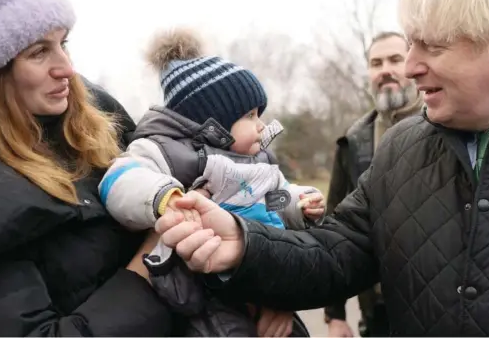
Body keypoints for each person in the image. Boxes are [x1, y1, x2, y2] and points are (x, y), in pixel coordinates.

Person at [154, 0, 489, 336]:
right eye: (411, 44)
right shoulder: (401, 150)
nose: (409, 67)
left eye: (433, 46)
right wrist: (247, 247)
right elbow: (333, 256)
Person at [0, 0, 173, 336]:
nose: (66, 68)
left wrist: (248, 278)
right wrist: (156, 262)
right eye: (38, 52)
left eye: (63, 43)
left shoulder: (100, 122)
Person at [98, 29, 322, 337]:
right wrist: (165, 198)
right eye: (250, 115)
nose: (261, 125)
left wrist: (298, 202)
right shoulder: (165, 151)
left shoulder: (259, 162)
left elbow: (274, 199)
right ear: (213, 122)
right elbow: (120, 180)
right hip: (207, 300)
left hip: (267, 281)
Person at [324, 31, 422, 338]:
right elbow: (333, 227)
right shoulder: (353, 142)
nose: (385, 70)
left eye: (395, 59)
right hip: (377, 310)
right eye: (375, 63)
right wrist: (335, 315)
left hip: (435, 305)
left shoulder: (444, 126)